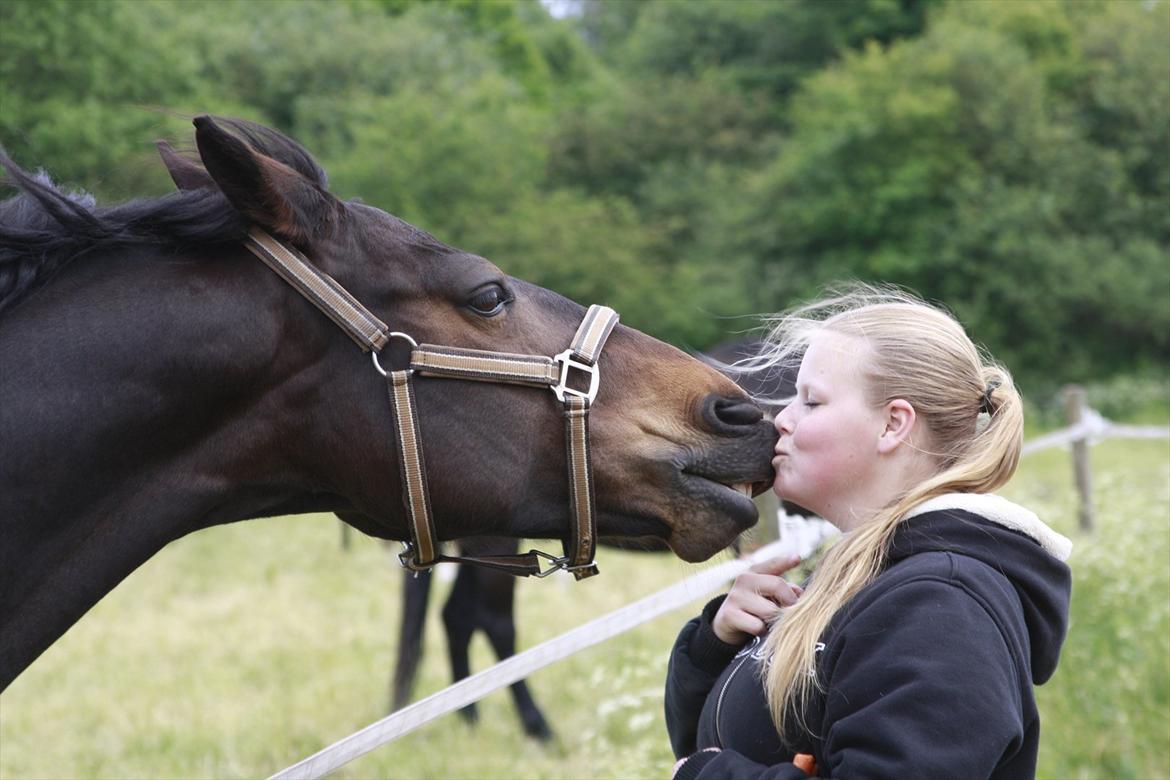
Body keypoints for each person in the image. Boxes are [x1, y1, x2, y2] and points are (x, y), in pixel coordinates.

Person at [665, 285, 1072, 779]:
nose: (783, 420)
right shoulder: (864, 573)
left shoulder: (940, 605)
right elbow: (708, 747)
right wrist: (717, 644)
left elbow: (705, 768)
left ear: (893, 425)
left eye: (811, 401)